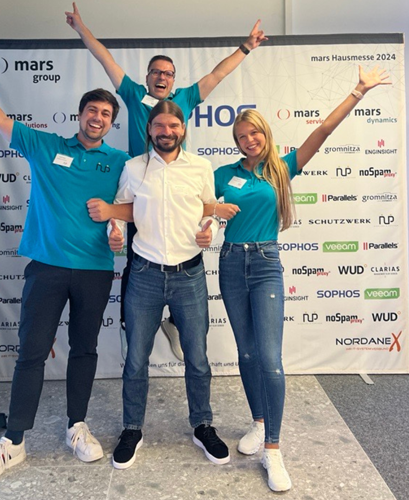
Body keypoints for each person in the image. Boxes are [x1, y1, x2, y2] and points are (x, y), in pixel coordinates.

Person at [0, 43, 131, 484]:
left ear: (112, 123)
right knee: (31, 353)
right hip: (46, 268)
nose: (98, 118)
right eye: (92, 110)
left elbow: (136, 206)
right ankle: (13, 441)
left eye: (106, 114)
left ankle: (76, 426)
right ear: (79, 115)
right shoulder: (45, 145)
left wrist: (116, 223)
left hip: (95, 269)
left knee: (84, 350)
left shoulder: (121, 162)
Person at [207, 65, 390, 492]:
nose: (248, 140)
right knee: (246, 353)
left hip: (265, 263)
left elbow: (322, 131)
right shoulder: (222, 174)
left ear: (265, 133)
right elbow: (198, 206)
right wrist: (211, 215)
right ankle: (258, 423)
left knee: (270, 358)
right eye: (241, 137)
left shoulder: (281, 168)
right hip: (230, 263)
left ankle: (273, 449)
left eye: (254, 133)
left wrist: (358, 92)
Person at [66, 1, 266, 361]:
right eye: (156, 72)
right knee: (136, 259)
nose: (162, 77)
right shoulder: (132, 95)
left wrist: (246, 47)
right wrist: (82, 29)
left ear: (173, 80)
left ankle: (174, 320)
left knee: (185, 255)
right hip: (140, 189)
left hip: (179, 189)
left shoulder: (185, 98)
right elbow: (105, 59)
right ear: (147, 78)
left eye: (168, 73)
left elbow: (217, 75)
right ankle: (131, 323)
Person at [104, 100, 229, 470]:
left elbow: (210, 210)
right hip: (144, 274)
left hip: (189, 274)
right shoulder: (133, 167)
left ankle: (202, 424)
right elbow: (119, 209)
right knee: (136, 358)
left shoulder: (200, 167)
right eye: (159, 125)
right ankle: (132, 429)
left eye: (173, 125)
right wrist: (114, 231)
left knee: (197, 357)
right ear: (150, 130)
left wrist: (211, 229)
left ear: (183, 129)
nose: (166, 132)